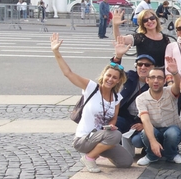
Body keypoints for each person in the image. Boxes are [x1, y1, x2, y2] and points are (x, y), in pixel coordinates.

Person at [50, 33, 132, 173]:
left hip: (102, 137)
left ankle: (98, 150)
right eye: (108, 76)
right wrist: (56, 52)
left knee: (126, 161)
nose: (110, 79)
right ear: (103, 75)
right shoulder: (91, 88)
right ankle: (89, 158)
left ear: (118, 80)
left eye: (114, 77)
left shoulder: (116, 97)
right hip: (83, 139)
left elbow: (114, 117)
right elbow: (68, 73)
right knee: (116, 136)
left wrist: (111, 125)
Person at [135, 60, 181, 165]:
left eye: (159, 78)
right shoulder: (141, 98)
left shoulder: (169, 92)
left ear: (164, 81)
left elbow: (177, 86)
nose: (156, 81)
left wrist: (175, 73)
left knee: (172, 133)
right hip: (155, 130)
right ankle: (151, 156)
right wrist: (153, 142)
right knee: (146, 132)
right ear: (147, 80)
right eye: (152, 77)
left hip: (171, 128)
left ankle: (171, 155)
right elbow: (145, 120)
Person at [110, 37, 154, 133]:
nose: (143, 67)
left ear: (153, 67)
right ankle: (115, 146)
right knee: (114, 123)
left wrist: (144, 124)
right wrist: (118, 56)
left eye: (147, 65)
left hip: (144, 120)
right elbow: (114, 72)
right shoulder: (130, 77)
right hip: (125, 116)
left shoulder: (156, 83)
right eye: (140, 64)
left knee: (139, 139)